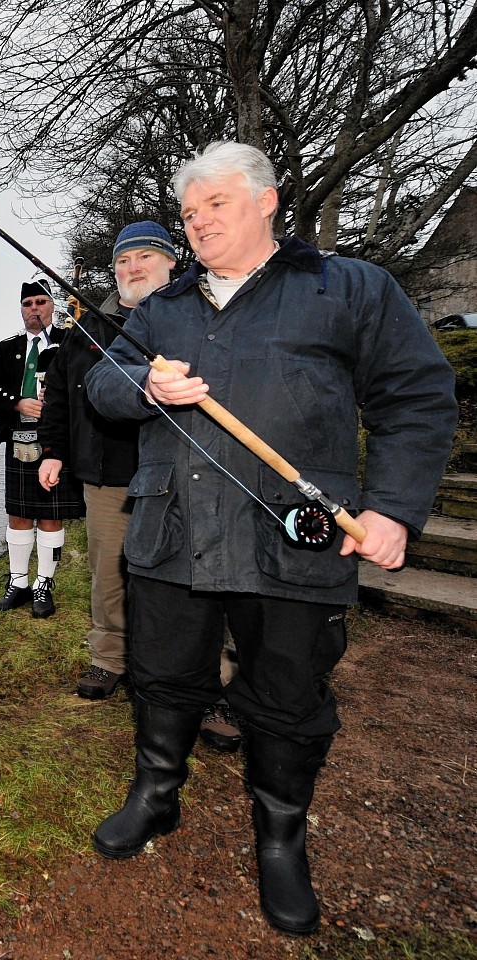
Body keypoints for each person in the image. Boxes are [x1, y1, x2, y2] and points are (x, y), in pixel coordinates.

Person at [84, 142, 457, 936]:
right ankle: (156, 793)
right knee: (162, 672)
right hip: (173, 535)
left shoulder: (349, 287)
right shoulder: (164, 307)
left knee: (288, 695)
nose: (199, 221)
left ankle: (281, 837)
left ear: (266, 201)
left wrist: (393, 507)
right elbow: (103, 383)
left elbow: (417, 394)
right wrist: (143, 381)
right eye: (189, 211)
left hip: (295, 545)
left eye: (216, 203)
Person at [35, 223, 244, 750]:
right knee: (109, 570)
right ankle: (109, 657)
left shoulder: (207, 316)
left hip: (186, 476)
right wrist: (55, 450)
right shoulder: (88, 328)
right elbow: (62, 394)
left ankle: (215, 679)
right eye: (123, 259)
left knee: (199, 577)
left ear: (173, 262)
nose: (133, 268)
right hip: (109, 476)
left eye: (146, 256)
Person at [0, 280, 84, 618]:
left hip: (56, 439)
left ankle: (43, 585)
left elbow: (82, 387)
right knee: (19, 513)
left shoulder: (70, 341)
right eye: (28, 304)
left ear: (52, 306)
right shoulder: (7, 347)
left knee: (51, 515)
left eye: (41, 302)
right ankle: (19, 584)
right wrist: (18, 403)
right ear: (21, 309)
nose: (34, 308)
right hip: (18, 438)